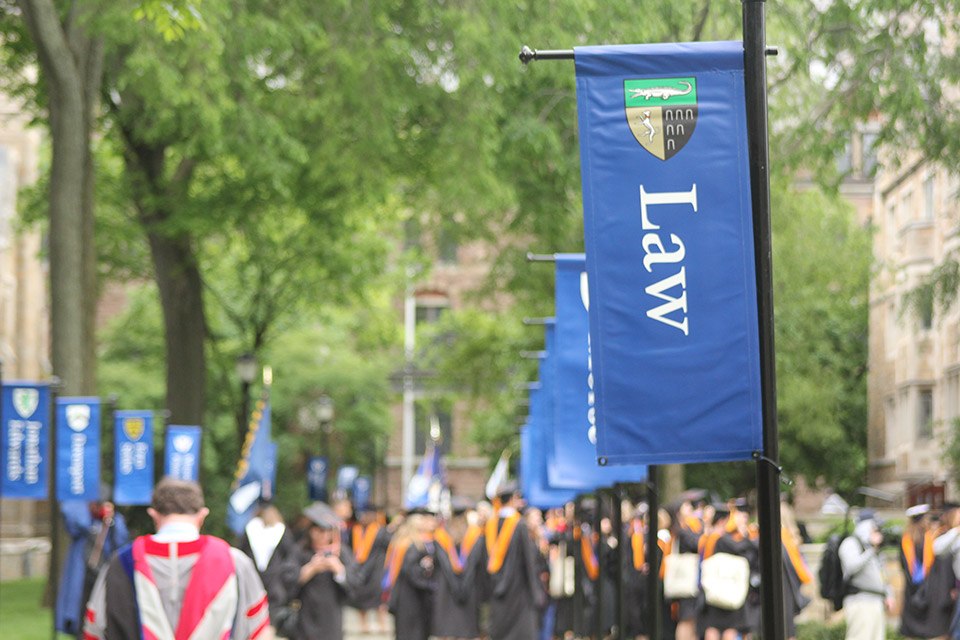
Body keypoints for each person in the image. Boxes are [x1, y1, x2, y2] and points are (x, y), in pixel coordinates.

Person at [83, 477, 270, 640]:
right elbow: (256, 630)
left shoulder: (120, 564)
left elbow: (95, 630)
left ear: (153, 515)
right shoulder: (236, 563)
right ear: (203, 515)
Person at [56, 489, 129, 637]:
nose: (97, 507)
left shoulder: (112, 521)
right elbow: (73, 517)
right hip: (82, 576)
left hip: (103, 577)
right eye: (94, 504)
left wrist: (110, 521)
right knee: (79, 614)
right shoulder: (83, 519)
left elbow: (121, 542)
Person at [291, 501, 359, 640]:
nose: (323, 536)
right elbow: (286, 582)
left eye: (327, 532)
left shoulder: (341, 553)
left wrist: (339, 570)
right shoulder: (301, 551)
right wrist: (311, 568)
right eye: (318, 531)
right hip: (305, 617)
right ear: (310, 531)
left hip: (331, 618)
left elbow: (356, 584)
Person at [486, 482, 543, 640]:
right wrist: (535, 592)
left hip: (496, 588)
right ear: (512, 499)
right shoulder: (519, 525)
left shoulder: (490, 524)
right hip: (519, 589)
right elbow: (529, 561)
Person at [238, 503, 300, 625]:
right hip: (274, 577)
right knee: (272, 608)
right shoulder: (281, 530)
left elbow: (242, 550)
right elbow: (289, 552)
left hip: (253, 574)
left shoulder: (250, 528)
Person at [432, 502, 486, 639]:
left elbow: (444, 564)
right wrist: (463, 586)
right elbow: (474, 564)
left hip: (446, 588)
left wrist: (455, 585)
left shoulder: (441, 535)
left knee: (447, 628)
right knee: (465, 629)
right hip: (469, 587)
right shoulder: (476, 534)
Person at [839, 509, 893, 640]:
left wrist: (889, 594)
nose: (877, 531)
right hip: (860, 601)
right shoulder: (851, 543)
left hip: (876, 602)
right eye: (874, 527)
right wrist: (871, 550)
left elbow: (881, 574)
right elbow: (852, 566)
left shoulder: (872, 548)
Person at [388, 509, 437, 640]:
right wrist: (428, 582)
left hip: (410, 594)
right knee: (410, 631)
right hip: (409, 596)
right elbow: (409, 569)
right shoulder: (409, 544)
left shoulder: (411, 541)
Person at [348, 505, 393, 634]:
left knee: (379, 597)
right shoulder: (355, 530)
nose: (365, 517)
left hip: (377, 569)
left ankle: (382, 624)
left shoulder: (381, 530)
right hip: (359, 568)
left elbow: (389, 545)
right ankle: (364, 625)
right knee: (361, 597)